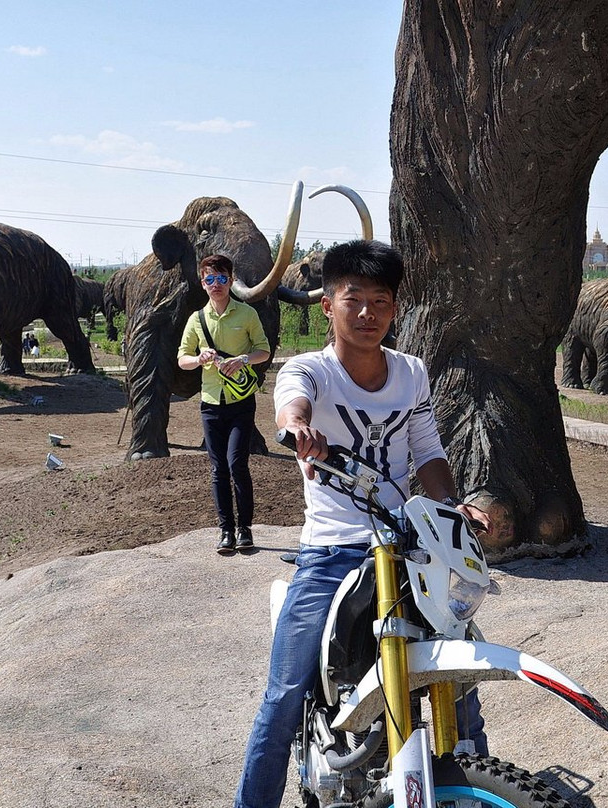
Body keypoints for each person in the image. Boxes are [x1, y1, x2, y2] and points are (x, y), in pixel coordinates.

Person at [233, 240, 492, 808]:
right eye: (355, 300)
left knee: (461, 678)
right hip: (330, 554)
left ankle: (475, 789)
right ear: (328, 306)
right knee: (282, 698)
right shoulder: (309, 369)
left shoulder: (412, 373)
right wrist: (297, 429)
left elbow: (427, 452)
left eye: (381, 300)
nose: (369, 313)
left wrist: (452, 508)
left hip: (405, 550)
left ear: (396, 308)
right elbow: (291, 403)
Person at [177, 254, 271, 555]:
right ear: (202, 283)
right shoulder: (195, 320)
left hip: (242, 402)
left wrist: (243, 358)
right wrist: (198, 358)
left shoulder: (246, 315)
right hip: (210, 404)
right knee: (218, 469)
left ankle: (245, 529)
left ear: (231, 280)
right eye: (210, 279)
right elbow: (182, 359)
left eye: (221, 278)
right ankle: (226, 531)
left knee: (237, 464)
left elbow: (264, 351)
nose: (215, 285)